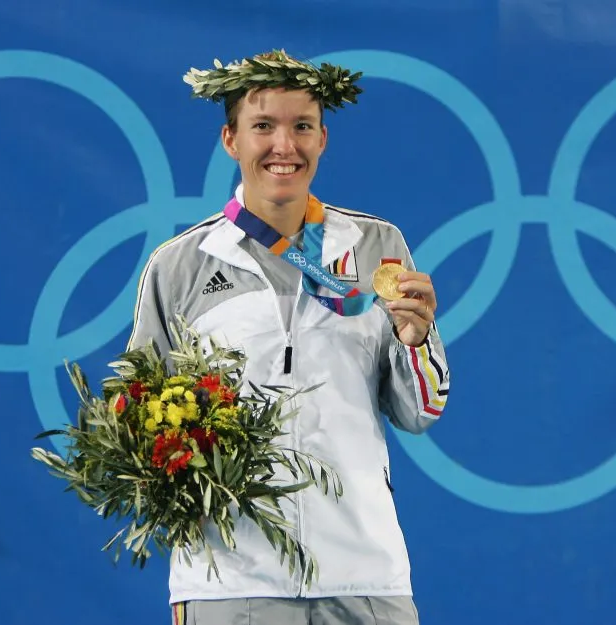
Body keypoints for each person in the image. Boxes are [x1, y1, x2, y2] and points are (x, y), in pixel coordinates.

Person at [126, 49, 451, 625]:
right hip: (231, 580)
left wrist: (416, 341)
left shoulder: (377, 246)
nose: (285, 146)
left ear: (323, 138)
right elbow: (137, 427)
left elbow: (421, 410)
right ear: (231, 140)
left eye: (302, 126)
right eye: (263, 127)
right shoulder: (181, 266)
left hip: (364, 571)